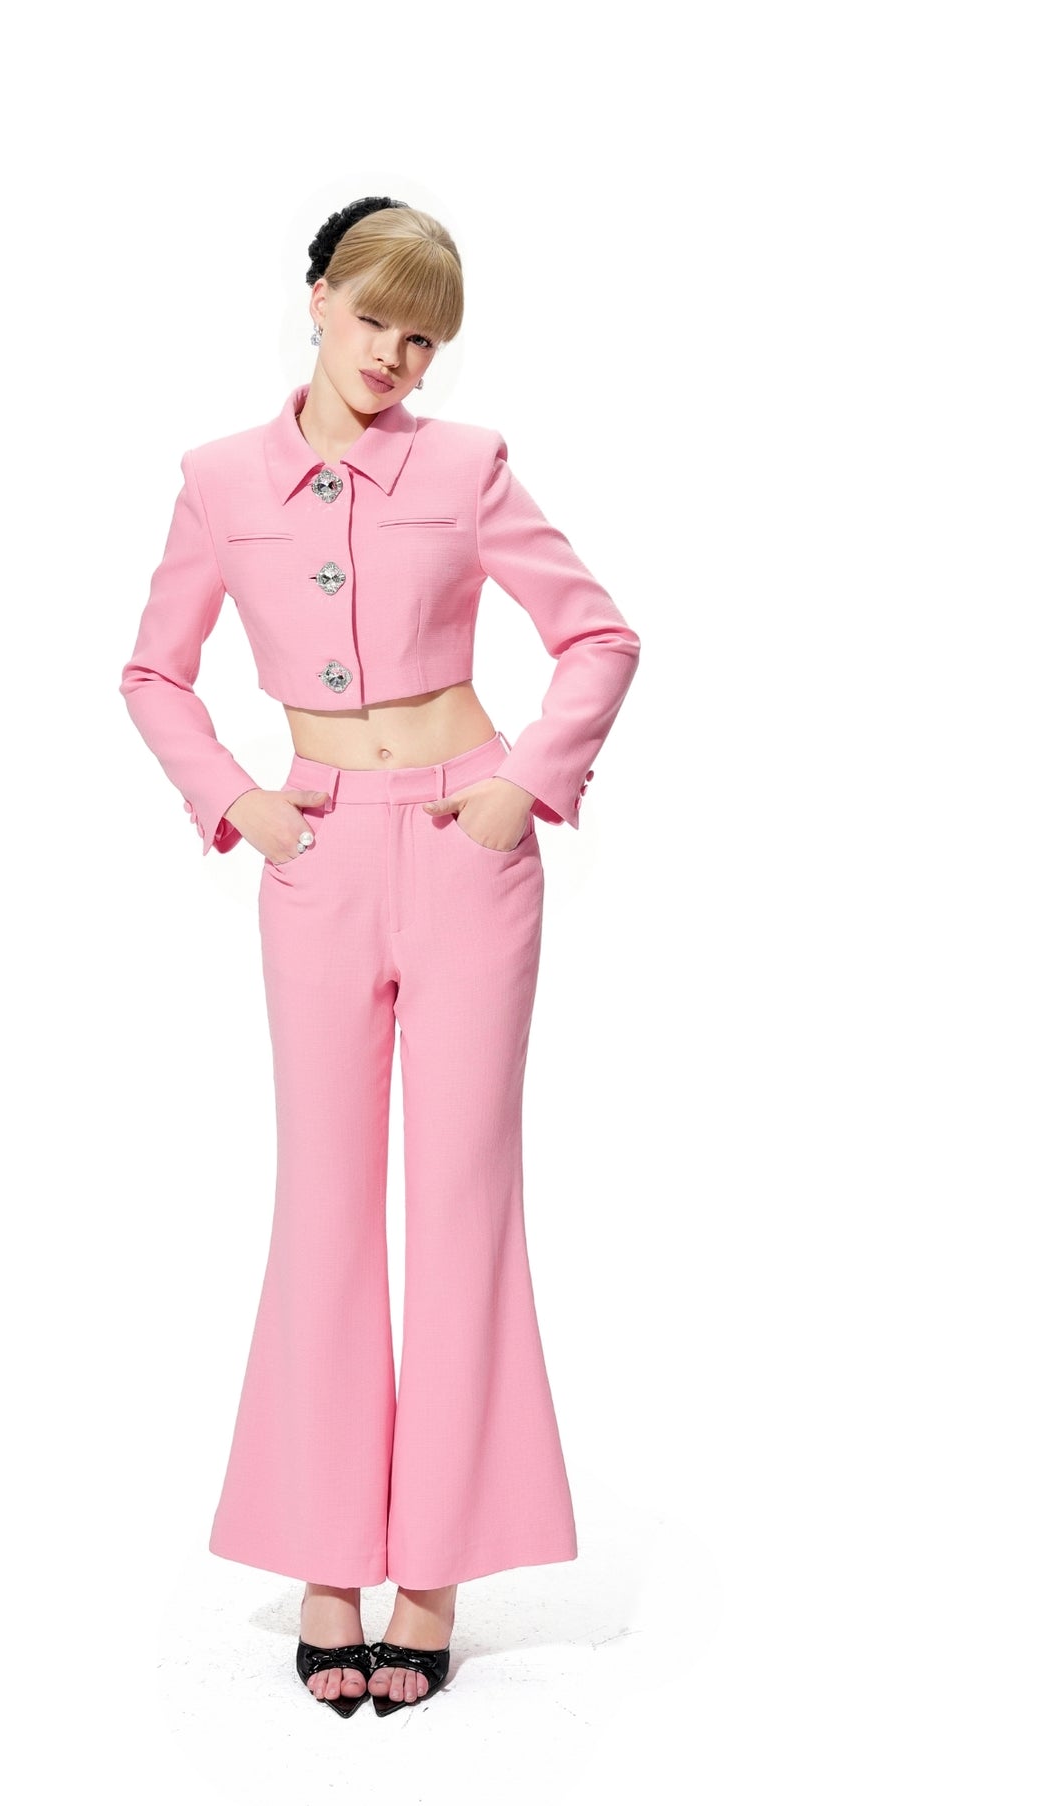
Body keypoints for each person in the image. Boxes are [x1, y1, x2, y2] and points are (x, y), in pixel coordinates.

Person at [119, 196, 642, 1718]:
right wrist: (240, 803)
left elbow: (598, 636)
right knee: (326, 1208)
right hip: (318, 858)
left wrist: (523, 785)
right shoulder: (221, 480)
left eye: (423, 338)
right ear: (315, 299)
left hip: (469, 853)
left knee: (463, 1204)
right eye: (373, 321)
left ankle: (432, 1582)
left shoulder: (466, 468)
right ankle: (324, 1563)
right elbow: (152, 671)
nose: (395, 357)